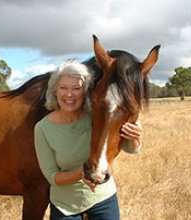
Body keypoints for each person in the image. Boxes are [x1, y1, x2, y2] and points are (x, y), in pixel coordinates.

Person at [34, 61, 142, 220]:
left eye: (76, 88)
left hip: (103, 199)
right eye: (63, 88)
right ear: (54, 91)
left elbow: (132, 148)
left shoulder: (97, 117)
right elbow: (52, 176)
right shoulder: (43, 129)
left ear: (85, 92)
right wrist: (82, 173)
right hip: (65, 207)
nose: (69, 94)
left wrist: (135, 136)